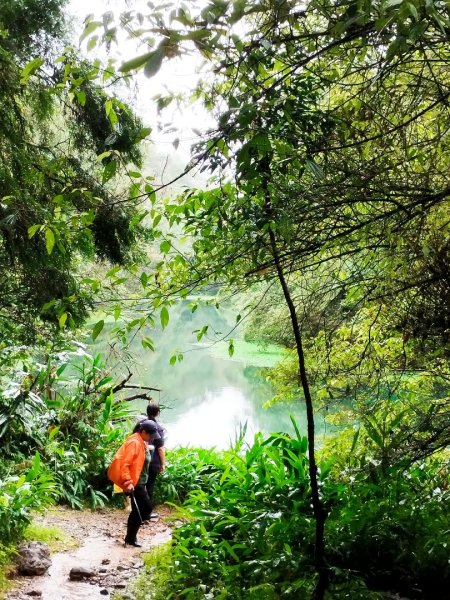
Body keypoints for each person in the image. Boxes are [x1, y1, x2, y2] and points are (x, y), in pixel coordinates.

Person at [107, 419, 161, 547]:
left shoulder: (140, 441)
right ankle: (130, 538)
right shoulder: (134, 442)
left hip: (139, 481)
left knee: (139, 510)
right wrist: (127, 482)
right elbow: (125, 464)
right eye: (150, 435)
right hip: (135, 483)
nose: (151, 438)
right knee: (145, 508)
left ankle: (131, 538)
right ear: (143, 431)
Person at [145, 402, 166, 519]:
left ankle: (139, 509)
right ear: (158, 413)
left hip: (140, 461)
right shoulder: (158, 428)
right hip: (153, 463)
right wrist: (163, 463)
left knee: (141, 486)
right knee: (149, 486)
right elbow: (161, 448)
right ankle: (147, 513)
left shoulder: (141, 424)